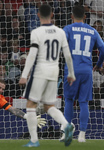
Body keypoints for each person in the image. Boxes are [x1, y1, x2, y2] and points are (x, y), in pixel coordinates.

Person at [19, 4, 76, 147]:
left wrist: (25, 75)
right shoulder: (60, 32)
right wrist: (71, 73)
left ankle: (33, 140)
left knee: (30, 105)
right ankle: (66, 124)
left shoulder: (37, 32)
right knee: (48, 105)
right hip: (54, 71)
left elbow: (32, 55)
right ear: (52, 15)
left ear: (38, 15)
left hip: (40, 70)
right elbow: (68, 55)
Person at [59, 5, 104, 143]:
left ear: (72, 16)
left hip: (71, 70)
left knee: (69, 100)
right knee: (84, 102)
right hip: (86, 70)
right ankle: (82, 135)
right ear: (85, 16)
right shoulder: (92, 30)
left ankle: (67, 133)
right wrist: (99, 64)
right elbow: (103, 48)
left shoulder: (68, 28)